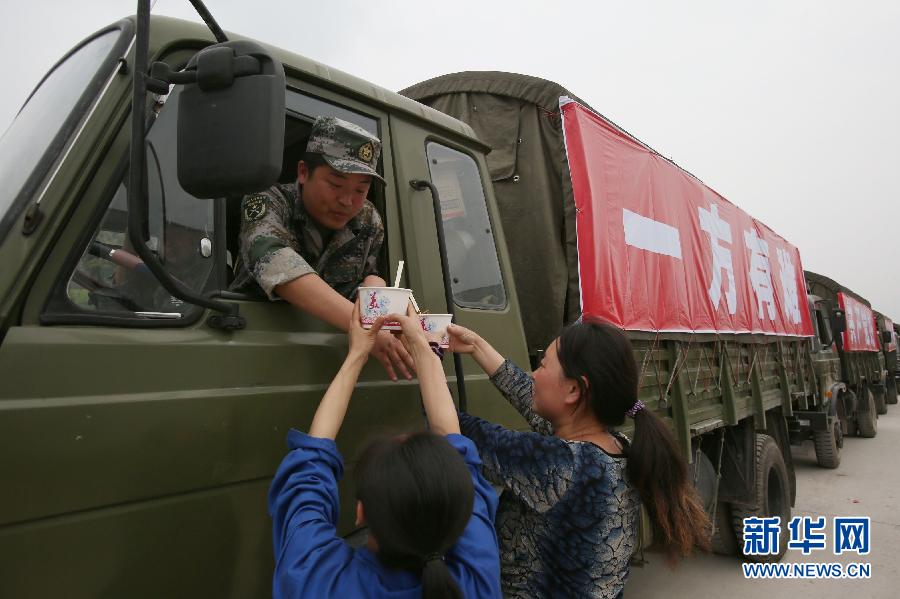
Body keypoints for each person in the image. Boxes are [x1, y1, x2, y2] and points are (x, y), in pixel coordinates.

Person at [446, 317, 710, 598]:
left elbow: (458, 432)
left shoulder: (561, 464)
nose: (534, 374)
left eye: (543, 365)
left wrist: (420, 351)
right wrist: (475, 345)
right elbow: (527, 392)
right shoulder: (614, 447)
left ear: (574, 390)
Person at [268, 301, 502, 599]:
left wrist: (357, 354)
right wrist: (423, 349)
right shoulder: (476, 580)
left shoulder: (315, 579)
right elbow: (455, 444)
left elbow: (310, 466)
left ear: (361, 512)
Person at [231, 116, 413, 381]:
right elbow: (276, 265)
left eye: (361, 190)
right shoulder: (267, 200)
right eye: (336, 185)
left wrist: (376, 298)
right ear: (303, 172)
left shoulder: (368, 218)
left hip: (330, 358)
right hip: (254, 344)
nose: (347, 201)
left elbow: (371, 272)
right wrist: (365, 326)